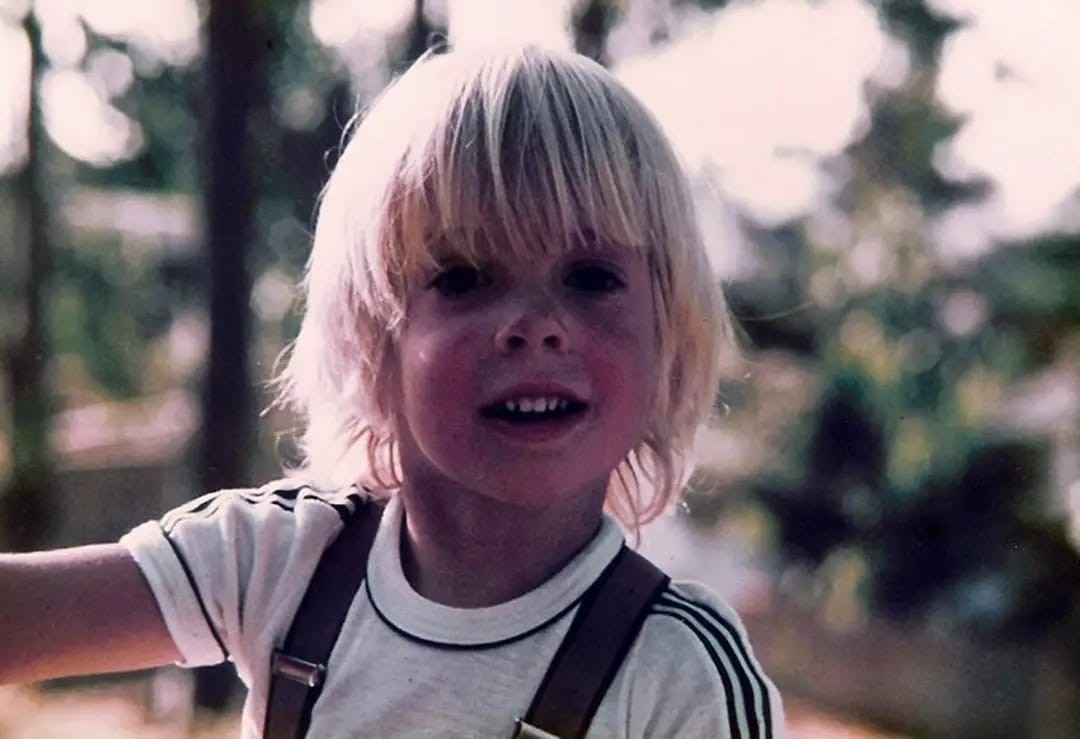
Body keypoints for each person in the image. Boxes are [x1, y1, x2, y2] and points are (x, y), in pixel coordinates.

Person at [0, 44, 784, 737]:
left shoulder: (680, 672)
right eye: (466, 276)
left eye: (591, 277)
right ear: (373, 342)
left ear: (669, 339)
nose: (538, 326)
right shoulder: (278, 562)